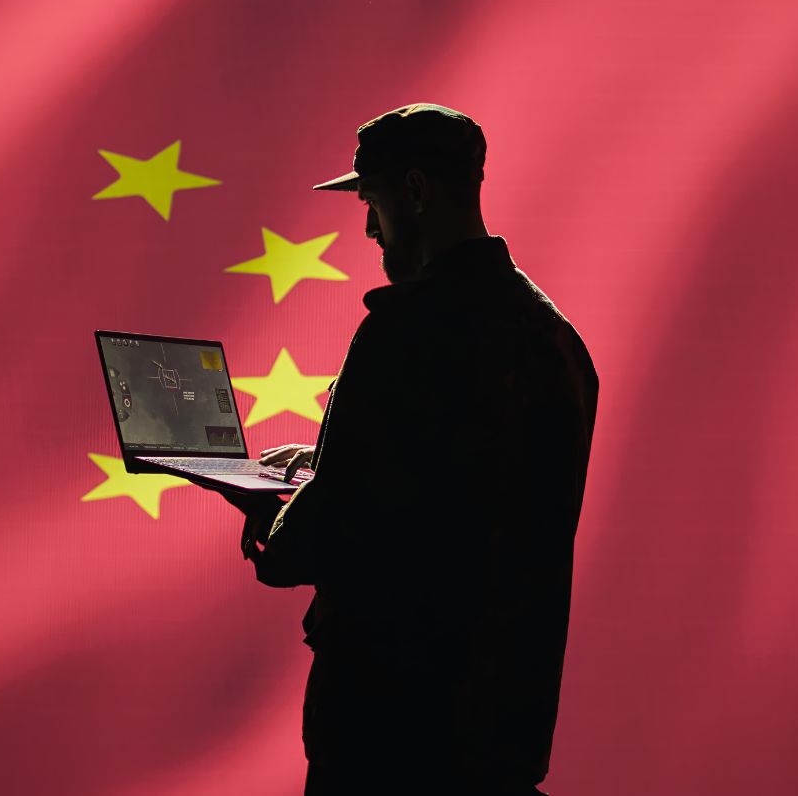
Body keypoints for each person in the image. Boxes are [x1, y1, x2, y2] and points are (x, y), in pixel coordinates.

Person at [212, 104, 597, 796]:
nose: (368, 227)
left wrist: (263, 505)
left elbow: (323, 535)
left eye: (372, 200)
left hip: (388, 738)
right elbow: (466, 493)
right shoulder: (557, 342)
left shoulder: (403, 333)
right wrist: (328, 463)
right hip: (504, 735)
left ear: (414, 192)